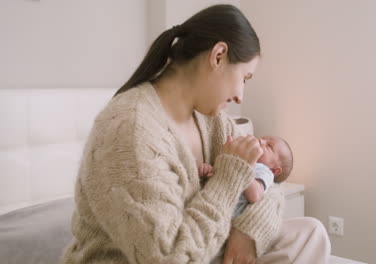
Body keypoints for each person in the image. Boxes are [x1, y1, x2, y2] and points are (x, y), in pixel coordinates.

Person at [62, 4, 330, 264]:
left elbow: (271, 186)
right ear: (218, 56)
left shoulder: (211, 121)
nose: (240, 96)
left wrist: (248, 230)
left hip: (208, 246)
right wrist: (228, 178)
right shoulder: (131, 130)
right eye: (245, 78)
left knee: (310, 235)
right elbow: (169, 258)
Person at [199, 135, 294, 218]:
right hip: (214, 201)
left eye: (268, 146)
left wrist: (243, 167)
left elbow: (255, 195)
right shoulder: (241, 159)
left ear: (274, 170)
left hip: (232, 216)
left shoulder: (264, 171)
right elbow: (224, 176)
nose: (261, 141)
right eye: (262, 138)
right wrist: (210, 170)